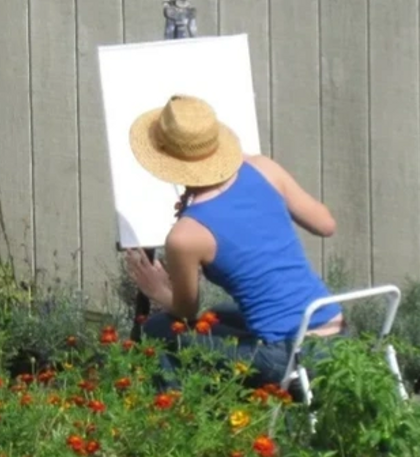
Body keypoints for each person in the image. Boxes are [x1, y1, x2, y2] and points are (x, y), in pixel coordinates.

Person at [123, 94, 344, 392]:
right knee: (220, 314)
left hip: (290, 356)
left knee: (160, 329)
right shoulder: (264, 168)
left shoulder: (186, 236)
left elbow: (185, 313)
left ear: (169, 162)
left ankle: (177, 420)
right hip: (336, 328)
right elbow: (325, 224)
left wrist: (158, 291)